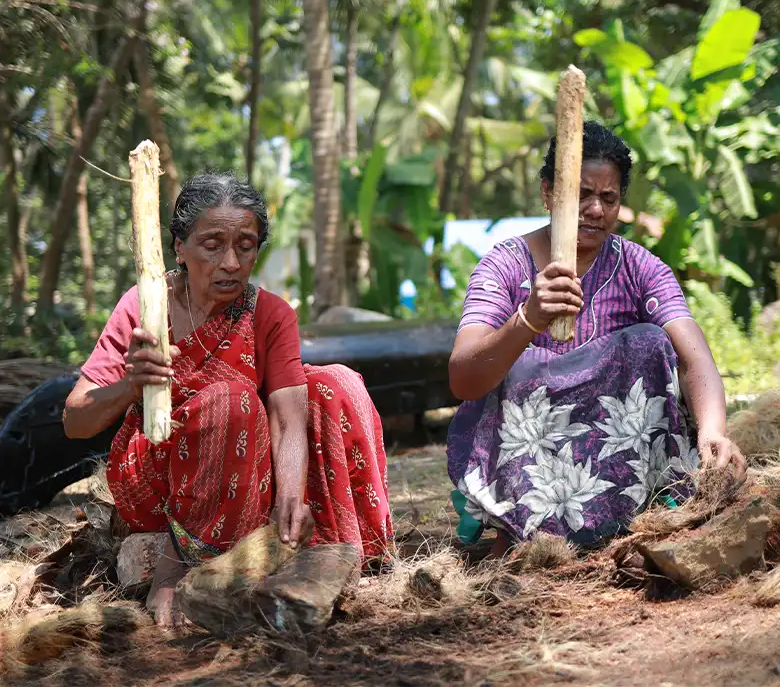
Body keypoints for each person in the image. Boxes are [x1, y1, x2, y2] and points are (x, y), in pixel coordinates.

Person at [64, 173, 393, 627]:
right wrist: (130, 385)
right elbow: (75, 421)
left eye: (246, 245)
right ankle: (179, 567)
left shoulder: (271, 314)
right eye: (212, 244)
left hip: (248, 474)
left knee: (333, 383)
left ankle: (335, 550)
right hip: (161, 477)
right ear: (179, 246)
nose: (232, 262)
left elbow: (288, 415)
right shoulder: (144, 306)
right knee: (231, 400)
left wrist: (292, 501)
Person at [447, 121, 746, 553]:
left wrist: (713, 431)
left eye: (608, 198)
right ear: (549, 193)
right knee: (519, 362)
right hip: (531, 463)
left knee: (649, 342)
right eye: (581, 195)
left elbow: (693, 355)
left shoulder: (640, 267)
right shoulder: (504, 265)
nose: (594, 210)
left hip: (619, 462)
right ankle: (519, 530)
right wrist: (527, 319)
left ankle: (644, 513)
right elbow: (463, 378)